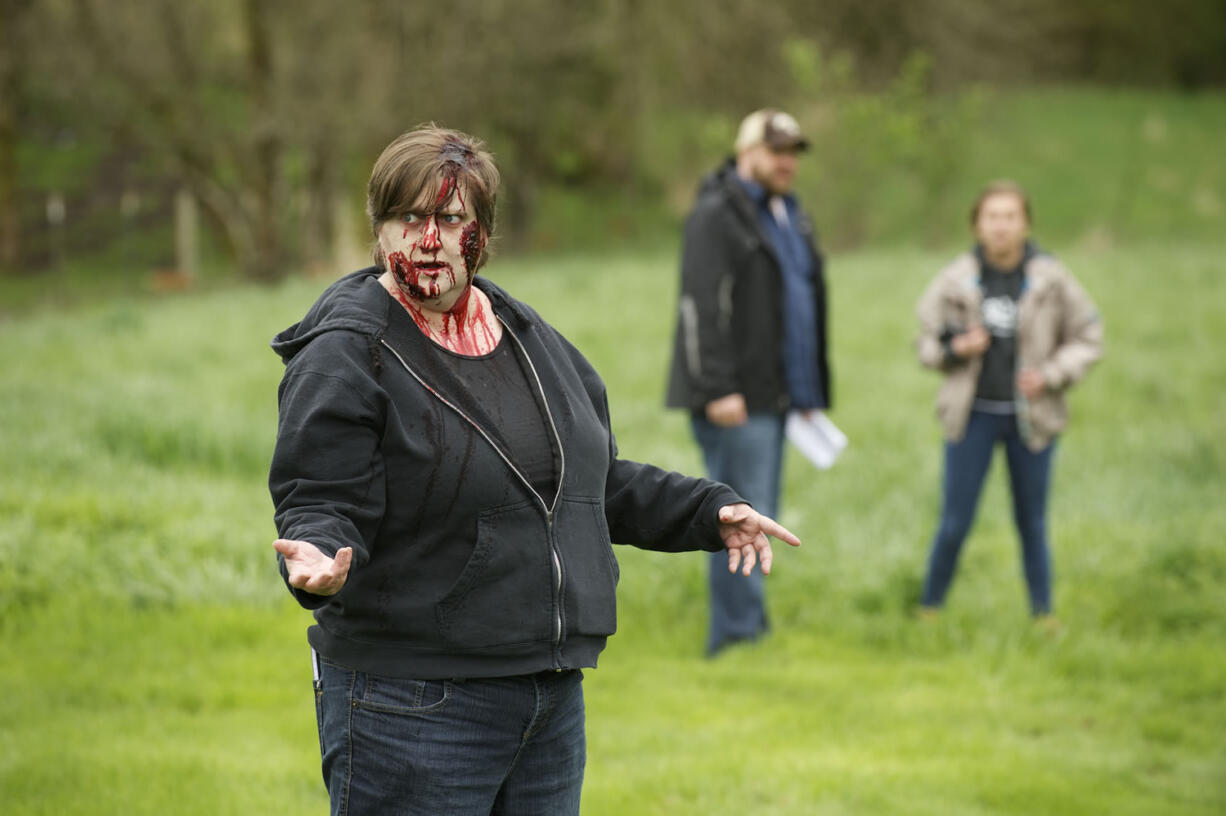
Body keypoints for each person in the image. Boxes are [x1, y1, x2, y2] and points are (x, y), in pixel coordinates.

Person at [267, 124, 801, 816]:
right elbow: (320, 494)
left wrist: (705, 511)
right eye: (409, 217)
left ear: (482, 233)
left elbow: (588, 484)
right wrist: (314, 552)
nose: (428, 238)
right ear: (380, 230)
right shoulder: (347, 351)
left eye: (450, 217)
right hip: (413, 704)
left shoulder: (526, 337)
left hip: (546, 701)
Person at [665, 109, 831, 657]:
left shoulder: (788, 213)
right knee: (740, 517)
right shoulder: (718, 214)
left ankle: (752, 630)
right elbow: (700, 306)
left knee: (761, 512)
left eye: (794, 152)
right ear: (747, 151)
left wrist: (806, 394)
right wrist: (716, 388)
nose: (787, 162)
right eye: (776, 150)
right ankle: (736, 639)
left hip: (777, 395)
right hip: (735, 400)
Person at [915, 180, 1103, 619]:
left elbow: (1089, 338)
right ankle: (929, 610)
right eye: (992, 217)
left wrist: (1051, 375)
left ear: (1026, 223)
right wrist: (956, 348)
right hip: (971, 417)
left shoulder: (1053, 279)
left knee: (1032, 524)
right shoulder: (954, 279)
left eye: (1010, 217)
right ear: (977, 225)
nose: (1001, 226)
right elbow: (924, 343)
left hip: (1032, 419)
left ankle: (1044, 616)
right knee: (955, 522)